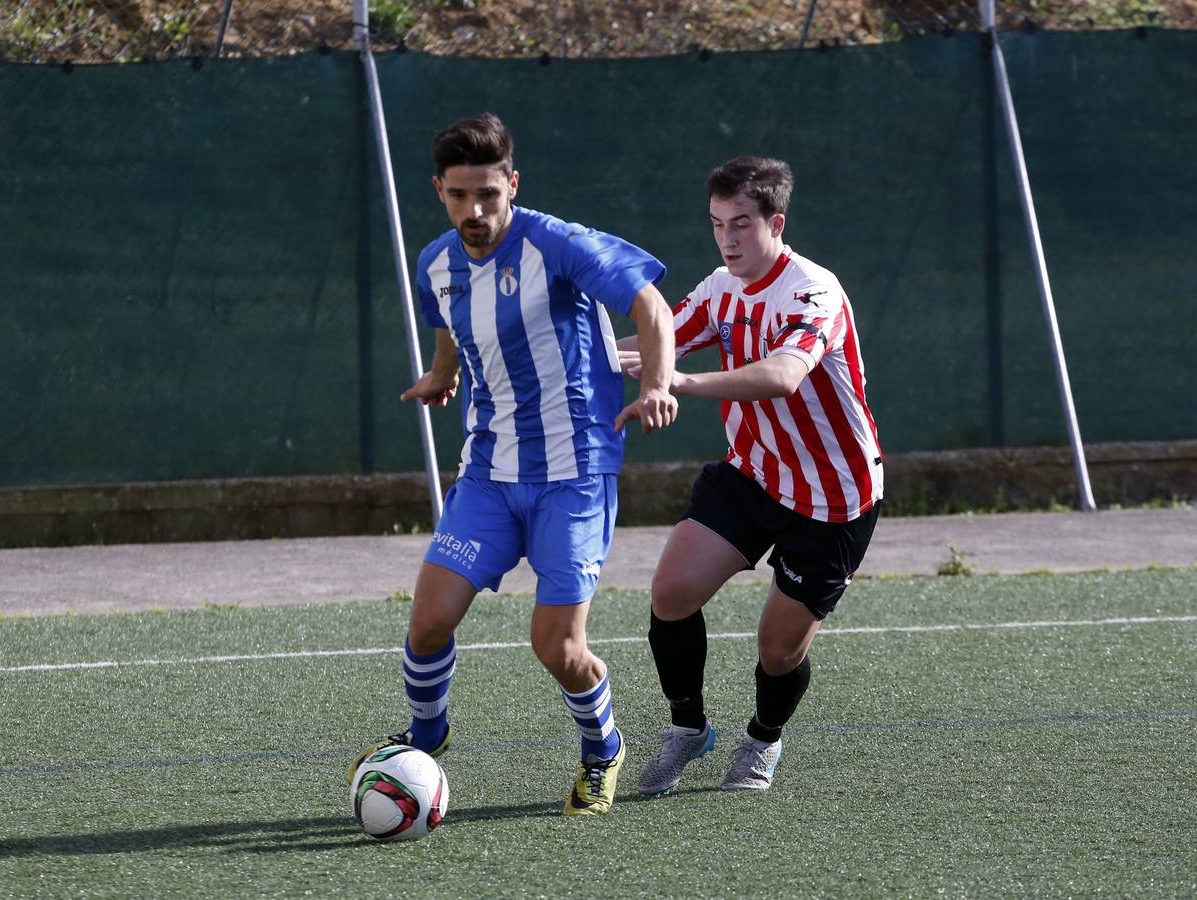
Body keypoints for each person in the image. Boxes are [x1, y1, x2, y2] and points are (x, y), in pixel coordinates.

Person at [348, 113, 678, 816]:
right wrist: (443, 376)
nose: (475, 211)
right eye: (460, 195)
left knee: (556, 646)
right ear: (439, 190)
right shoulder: (435, 261)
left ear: (512, 185)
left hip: (574, 474)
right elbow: (449, 326)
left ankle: (603, 750)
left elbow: (651, 306)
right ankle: (425, 740)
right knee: (429, 621)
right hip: (490, 473)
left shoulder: (557, 244)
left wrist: (654, 384)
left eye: (489, 195)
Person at [618, 155, 883, 794]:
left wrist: (677, 381)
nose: (728, 239)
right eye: (717, 224)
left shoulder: (814, 291)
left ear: (776, 222)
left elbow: (783, 375)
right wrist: (559, 358)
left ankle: (763, 738)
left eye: (741, 224)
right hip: (752, 474)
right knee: (671, 592)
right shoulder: (719, 288)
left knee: (778, 649)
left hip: (831, 500)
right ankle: (688, 729)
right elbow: (652, 347)